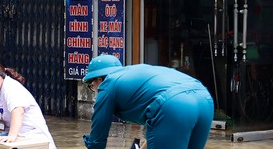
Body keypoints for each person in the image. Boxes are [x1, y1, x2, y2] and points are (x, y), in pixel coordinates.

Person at [82, 54, 214, 149]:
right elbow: (157, 130)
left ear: (98, 80)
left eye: (91, 86)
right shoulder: (133, 75)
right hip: (204, 99)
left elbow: (97, 142)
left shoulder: (107, 85)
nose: (94, 90)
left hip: (173, 105)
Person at [0, 59, 56, 149]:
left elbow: (18, 111)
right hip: (10, 134)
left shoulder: (11, 88)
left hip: (30, 135)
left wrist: (11, 136)